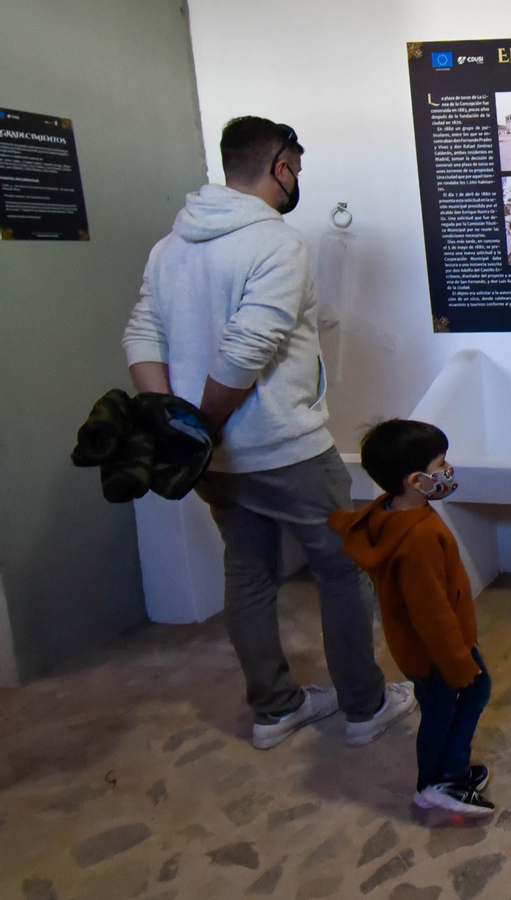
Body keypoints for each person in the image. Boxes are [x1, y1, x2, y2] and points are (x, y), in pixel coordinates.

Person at [123, 116, 416, 750]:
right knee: (344, 569)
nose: (298, 182)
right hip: (284, 448)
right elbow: (245, 351)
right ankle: (365, 708)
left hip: (215, 460)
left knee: (249, 572)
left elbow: (142, 334)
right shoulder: (277, 245)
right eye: (298, 170)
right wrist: (199, 426)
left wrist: (175, 427)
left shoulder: (168, 247)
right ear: (280, 165)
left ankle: (275, 708)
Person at [329, 420, 494, 817]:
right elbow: (431, 613)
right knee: (451, 704)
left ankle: (449, 772)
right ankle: (438, 784)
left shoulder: (391, 514)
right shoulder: (418, 538)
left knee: (465, 697)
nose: (448, 470)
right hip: (437, 652)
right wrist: (457, 662)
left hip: (434, 648)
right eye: (441, 464)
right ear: (416, 480)